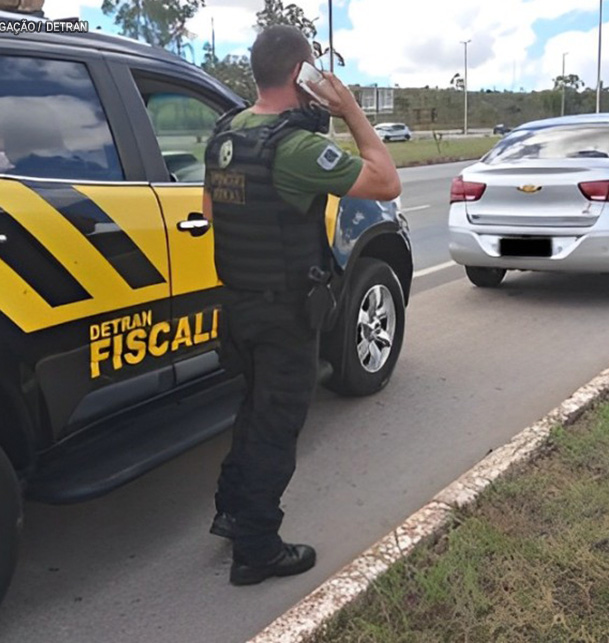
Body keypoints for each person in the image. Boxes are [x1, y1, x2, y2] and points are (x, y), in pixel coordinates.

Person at [202, 25, 401, 586]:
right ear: (300, 74)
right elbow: (386, 181)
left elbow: (213, 213)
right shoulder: (297, 148)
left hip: (238, 305)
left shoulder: (226, 133)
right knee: (277, 427)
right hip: (284, 313)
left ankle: (231, 511)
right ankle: (257, 550)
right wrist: (350, 109)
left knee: (254, 411)